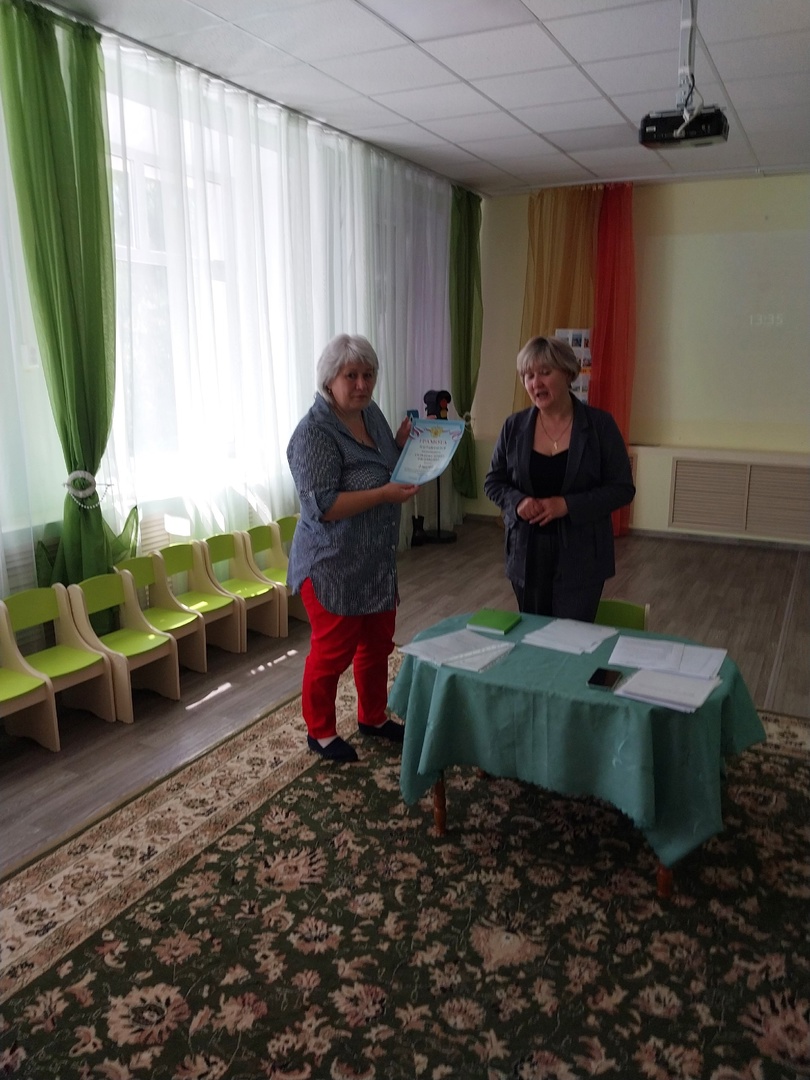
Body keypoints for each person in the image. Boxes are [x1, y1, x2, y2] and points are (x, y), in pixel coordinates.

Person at [286, 334, 419, 762]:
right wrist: (383, 495)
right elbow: (322, 506)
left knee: (377, 644)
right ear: (330, 380)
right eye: (351, 376)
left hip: (375, 560)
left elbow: (381, 465)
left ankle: (373, 717)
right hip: (331, 565)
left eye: (368, 374)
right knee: (332, 653)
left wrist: (399, 443)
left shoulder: (370, 413)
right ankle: (320, 732)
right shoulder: (314, 432)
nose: (362, 384)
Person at [484, 336, 635, 622]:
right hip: (527, 554)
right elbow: (494, 481)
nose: (535, 383)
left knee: (572, 637)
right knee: (533, 633)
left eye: (544, 372)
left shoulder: (600, 426)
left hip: (582, 555)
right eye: (528, 375)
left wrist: (567, 505)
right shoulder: (513, 426)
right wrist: (518, 502)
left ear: (567, 373)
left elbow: (622, 488)